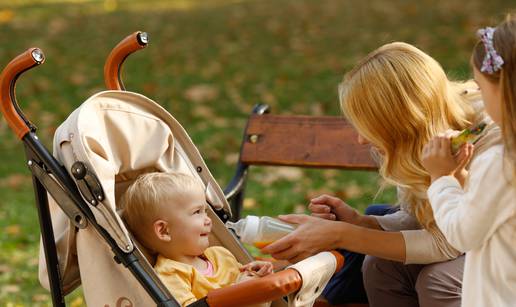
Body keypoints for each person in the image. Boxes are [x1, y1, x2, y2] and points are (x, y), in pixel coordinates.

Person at [261, 42, 502, 306]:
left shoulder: (492, 140)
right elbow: (423, 219)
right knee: (381, 265)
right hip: (469, 239)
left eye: (370, 127)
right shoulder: (419, 140)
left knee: (440, 281)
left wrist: (340, 234)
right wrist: (362, 223)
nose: (361, 140)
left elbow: (449, 242)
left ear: (402, 121)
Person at [421, 15, 516, 307]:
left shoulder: (502, 163)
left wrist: (442, 179)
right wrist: (462, 179)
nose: (478, 95)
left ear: (503, 91)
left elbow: (463, 234)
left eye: (480, 85)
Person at [121, 172, 273, 306]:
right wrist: (239, 291)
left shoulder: (221, 255)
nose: (208, 220)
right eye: (197, 212)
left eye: (205, 211)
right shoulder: (171, 274)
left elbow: (247, 286)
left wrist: (258, 275)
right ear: (164, 230)